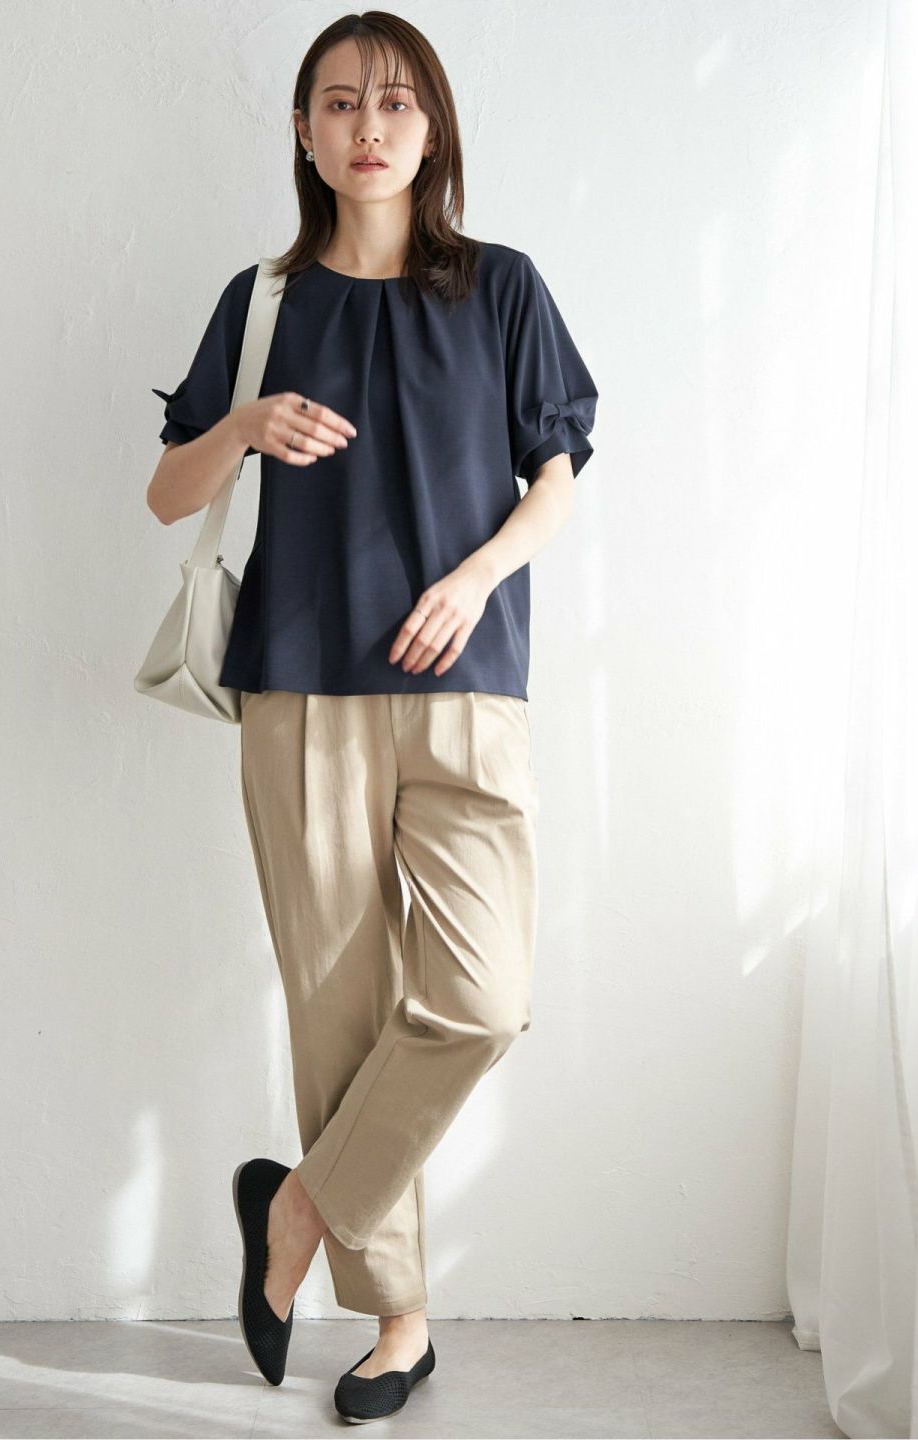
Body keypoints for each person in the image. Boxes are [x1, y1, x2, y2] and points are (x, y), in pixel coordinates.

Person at [147, 11, 598, 1423]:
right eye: (339, 103)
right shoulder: (264, 302)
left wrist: (476, 579)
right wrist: (243, 428)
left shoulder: (503, 287)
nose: (369, 126)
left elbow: (559, 471)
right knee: (340, 1017)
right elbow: (167, 493)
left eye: (397, 102)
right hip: (301, 693)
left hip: (465, 688)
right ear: (303, 131)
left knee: (482, 1002)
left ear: (433, 127)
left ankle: (294, 1211)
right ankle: (400, 1321)